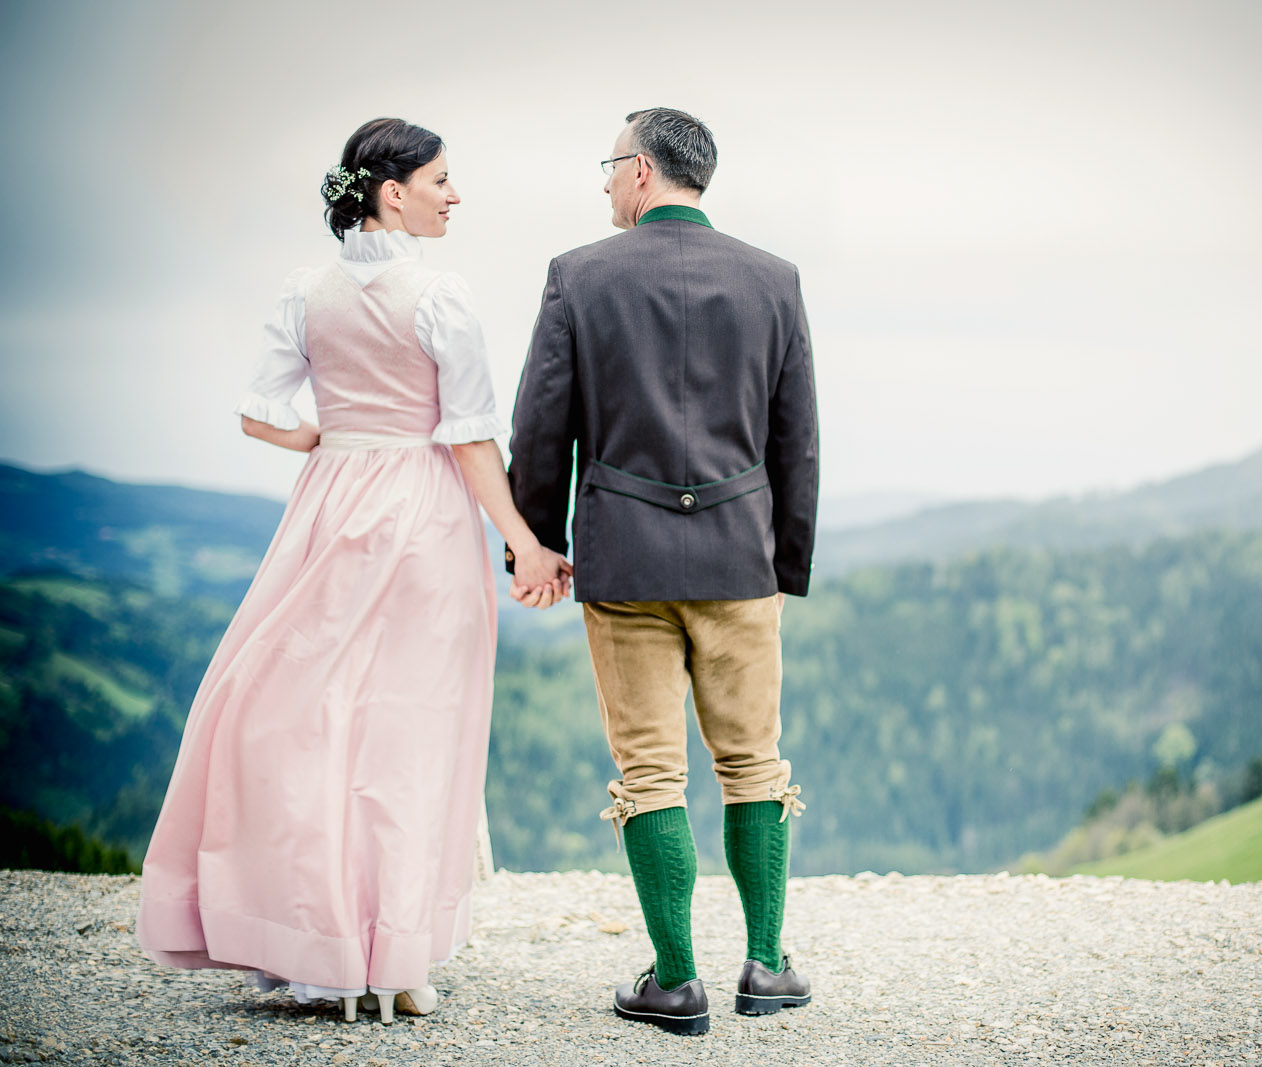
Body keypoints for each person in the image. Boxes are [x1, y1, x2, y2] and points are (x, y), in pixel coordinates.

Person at [136, 117, 571, 1024]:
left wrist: (330, 437)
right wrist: (525, 542)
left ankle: (313, 942)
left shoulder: (307, 291)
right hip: (421, 517)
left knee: (305, 723)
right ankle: (396, 955)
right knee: (410, 733)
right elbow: (470, 437)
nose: (456, 195)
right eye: (443, 180)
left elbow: (259, 414)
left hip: (329, 511)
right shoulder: (440, 297)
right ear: (392, 191)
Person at [507, 108, 819, 1035]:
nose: (604, 183)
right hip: (738, 560)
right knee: (753, 762)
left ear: (641, 172)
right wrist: (781, 562)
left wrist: (536, 542)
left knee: (650, 772)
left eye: (609, 166)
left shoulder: (579, 276)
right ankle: (766, 966)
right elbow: (795, 439)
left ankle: (675, 980)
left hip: (624, 560)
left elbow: (541, 424)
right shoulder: (774, 278)